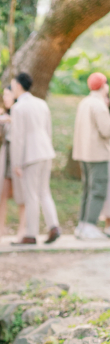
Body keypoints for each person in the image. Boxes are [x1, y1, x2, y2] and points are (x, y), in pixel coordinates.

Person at [10, 72, 60, 245]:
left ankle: (31, 234)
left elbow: (18, 137)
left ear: (17, 86)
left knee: (31, 195)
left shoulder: (18, 108)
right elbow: (48, 129)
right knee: (44, 191)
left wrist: (16, 162)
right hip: (46, 151)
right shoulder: (41, 104)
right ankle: (53, 225)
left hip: (30, 155)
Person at [72, 72, 110, 240]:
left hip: (83, 153)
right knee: (98, 190)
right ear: (103, 86)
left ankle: (82, 224)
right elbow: (106, 130)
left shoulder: (85, 102)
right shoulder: (99, 105)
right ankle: (90, 225)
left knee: (87, 190)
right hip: (97, 154)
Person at [0, 86, 25, 243]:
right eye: (3, 95)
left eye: (7, 94)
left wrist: (11, 120)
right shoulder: (5, 114)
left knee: (21, 195)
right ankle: (0, 230)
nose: (5, 98)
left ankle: (22, 230)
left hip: (19, 156)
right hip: (6, 156)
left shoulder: (21, 112)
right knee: (1, 194)